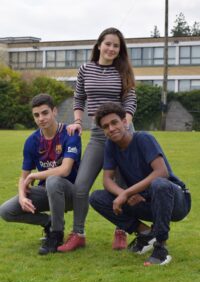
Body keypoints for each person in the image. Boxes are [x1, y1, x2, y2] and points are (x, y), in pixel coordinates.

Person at [57, 27, 137, 253]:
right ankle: (78, 234)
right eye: (108, 44)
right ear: (99, 45)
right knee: (81, 187)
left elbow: (130, 101)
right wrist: (77, 121)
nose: (111, 49)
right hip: (98, 136)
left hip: (122, 136)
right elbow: (79, 96)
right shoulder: (86, 69)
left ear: (119, 50)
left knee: (122, 186)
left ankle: (121, 230)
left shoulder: (123, 71)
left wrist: (126, 122)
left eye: (116, 46)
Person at [89, 102, 191, 266]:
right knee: (96, 198)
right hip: (145, 201)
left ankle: (161, 247)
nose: (111, 128)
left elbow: (161, 172)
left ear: (124, 122)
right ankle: (146, 234)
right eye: (106, 126)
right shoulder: (110, 146)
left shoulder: (143, 138)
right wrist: (123, 194)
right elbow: (107, 179)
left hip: (175, 202)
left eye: (114, 122)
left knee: (159, 184)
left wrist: (126, 193)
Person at [0, 94, 81, 255]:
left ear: (54, 111)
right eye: (36, 115)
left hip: (71, 194)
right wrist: (22, 196)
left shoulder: (70, 134)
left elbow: (64, 170)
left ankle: (56, 234)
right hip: (46, 192)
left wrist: (35, 176)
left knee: (53, 180)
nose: (41, 118)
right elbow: (24, 177)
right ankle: (48, 222)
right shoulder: (32, 141)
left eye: (45, 113)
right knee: (6, 210)